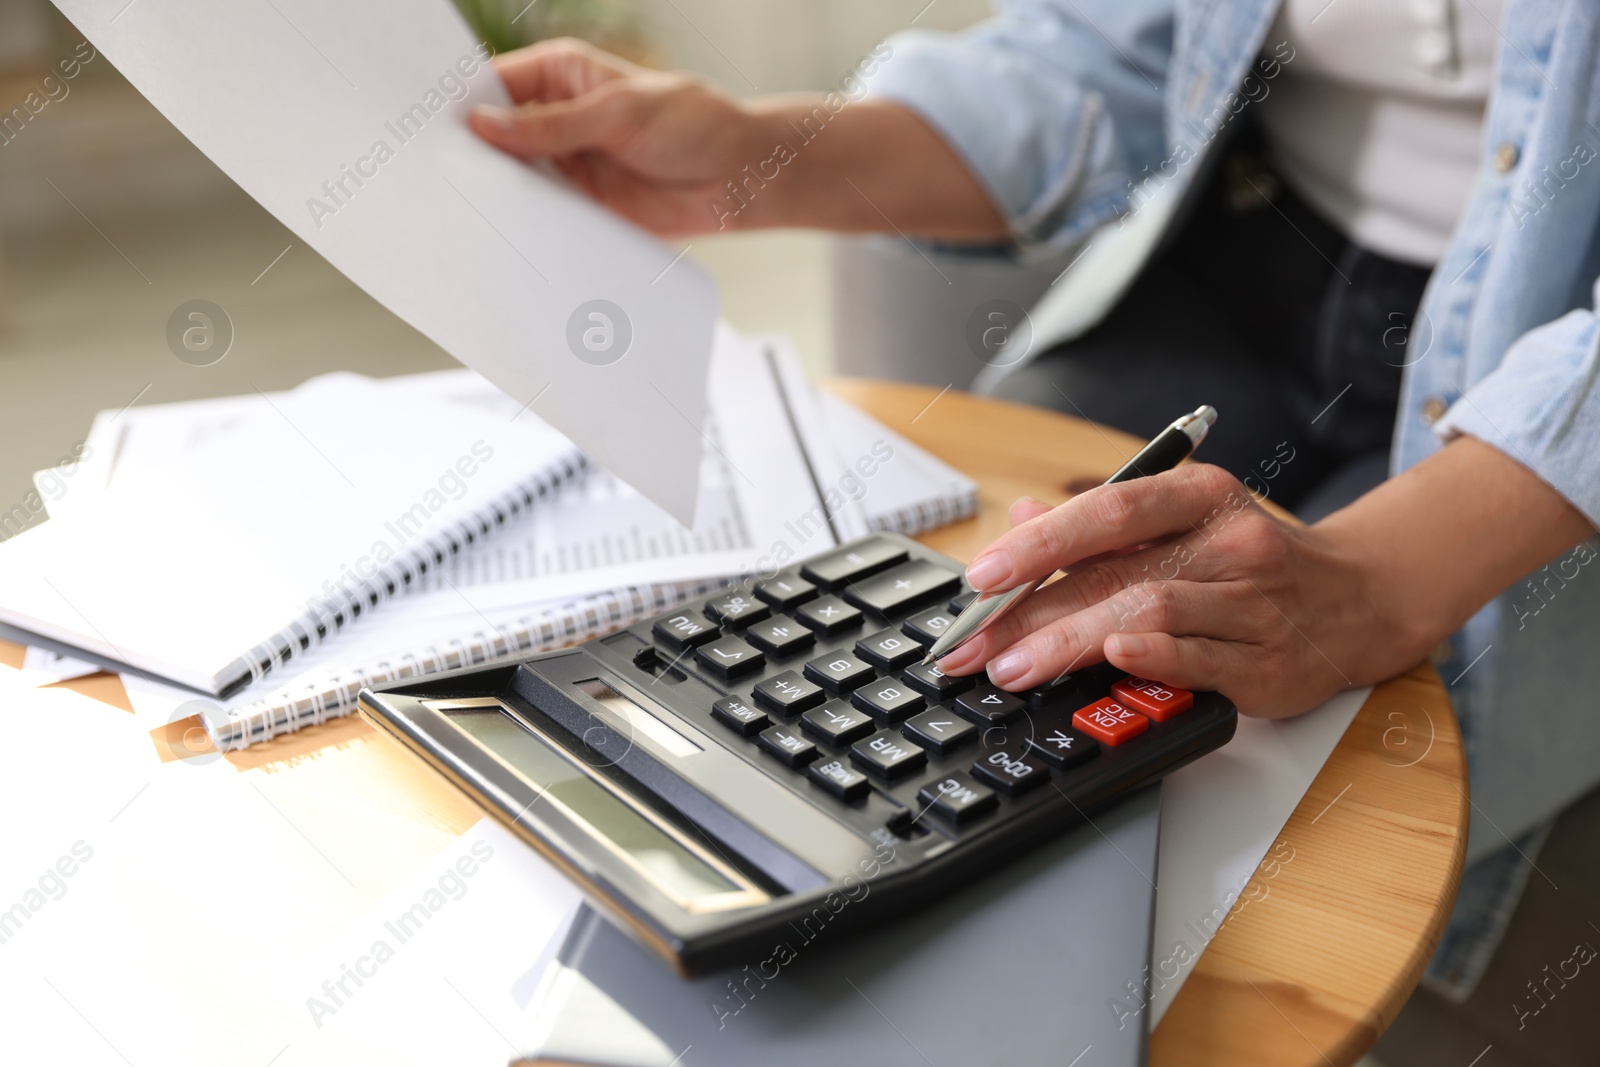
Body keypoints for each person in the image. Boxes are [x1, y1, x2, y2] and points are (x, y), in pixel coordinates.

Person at [468, 0, 1600, 1010]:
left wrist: (1369, 585)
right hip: (1245, 244)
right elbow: (1109, 49)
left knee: (1307, 794)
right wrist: (758, 158)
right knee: (975, 600)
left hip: (1551, 351)